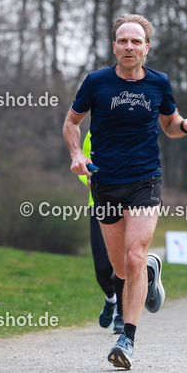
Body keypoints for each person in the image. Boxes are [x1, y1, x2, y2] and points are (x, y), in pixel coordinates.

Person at [64, 13, 187, 369]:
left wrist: (185, 125)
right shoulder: (96, 82)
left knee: (135, 256)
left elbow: (170, 124)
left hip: (145, 179)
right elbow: (72, 121)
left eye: (136, 41)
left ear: (146, 47)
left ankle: (127, 339)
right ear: (114, 47)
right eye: (123, 41)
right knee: (120, 270)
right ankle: (150, 273)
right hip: (105, 181)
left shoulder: (159, 83)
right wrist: (77, 153)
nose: (129, 47)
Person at [79, 132, 124, 333]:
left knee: (124, 263)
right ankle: (110, 298)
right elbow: (83, 163)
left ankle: (122, 315)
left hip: (128, 205)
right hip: (99, 205)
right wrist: (88, 179)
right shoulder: (94, 133)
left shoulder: (132, 127)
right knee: (103, 269)